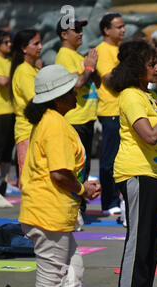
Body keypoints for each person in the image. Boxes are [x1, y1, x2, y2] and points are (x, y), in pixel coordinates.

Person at [19, 64, 101, 287]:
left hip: (46, 212)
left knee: (73, 272)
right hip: (48, 214)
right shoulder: (55, 124)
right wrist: (84, 189)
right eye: (70, 90)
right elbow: (59, 173)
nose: (76, 92)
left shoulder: (49, 120)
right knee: (51, 282)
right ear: (57, 99)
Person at [110, 41, 157, 287]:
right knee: (138, 242)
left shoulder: (149, 95)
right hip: (135, 172)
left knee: (151, 243)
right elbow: (150, 136)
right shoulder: (130, 95)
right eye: (152, 64)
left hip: (152, 173)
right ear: (137, 67)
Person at [55, 17, 100, 219]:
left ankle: (78, 209)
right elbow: (76, 84)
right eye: (76, 30)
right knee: (77, 168)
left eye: (82, 29)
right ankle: (73, 210)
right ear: (64, 35)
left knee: (85, 166)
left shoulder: (77, 54)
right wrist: (89, 68)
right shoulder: (64, 56)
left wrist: (93, 67)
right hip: (76, 119)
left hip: (86, 117)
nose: (80, 33)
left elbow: (94, 82)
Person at [95, 12, 125, 215]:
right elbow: (110, 80)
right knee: (109, 159)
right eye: (118, 27)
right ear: (106, 30)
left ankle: (118, 198)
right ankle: (109, 200)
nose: (123, 30)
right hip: (110, 110)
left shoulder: (120, 49)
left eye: (123, 26)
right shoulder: (102, 50)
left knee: (123, 157)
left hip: (124, 109)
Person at [9, 29, 42, 189]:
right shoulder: (23, 71)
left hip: (37, 131)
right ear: (23, 48)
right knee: (29, 182)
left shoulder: (32, 70)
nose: (41, 47)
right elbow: (36, 100)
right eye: (36, 44)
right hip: (27, 132)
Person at [0, 30, 14, 182]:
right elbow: (2, 81)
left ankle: (5, 182)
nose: (10, 44)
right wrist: (16, 74)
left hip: (12, 109)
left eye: (10, 42)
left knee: (8, 149)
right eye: (5, 42)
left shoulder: (10, 61)